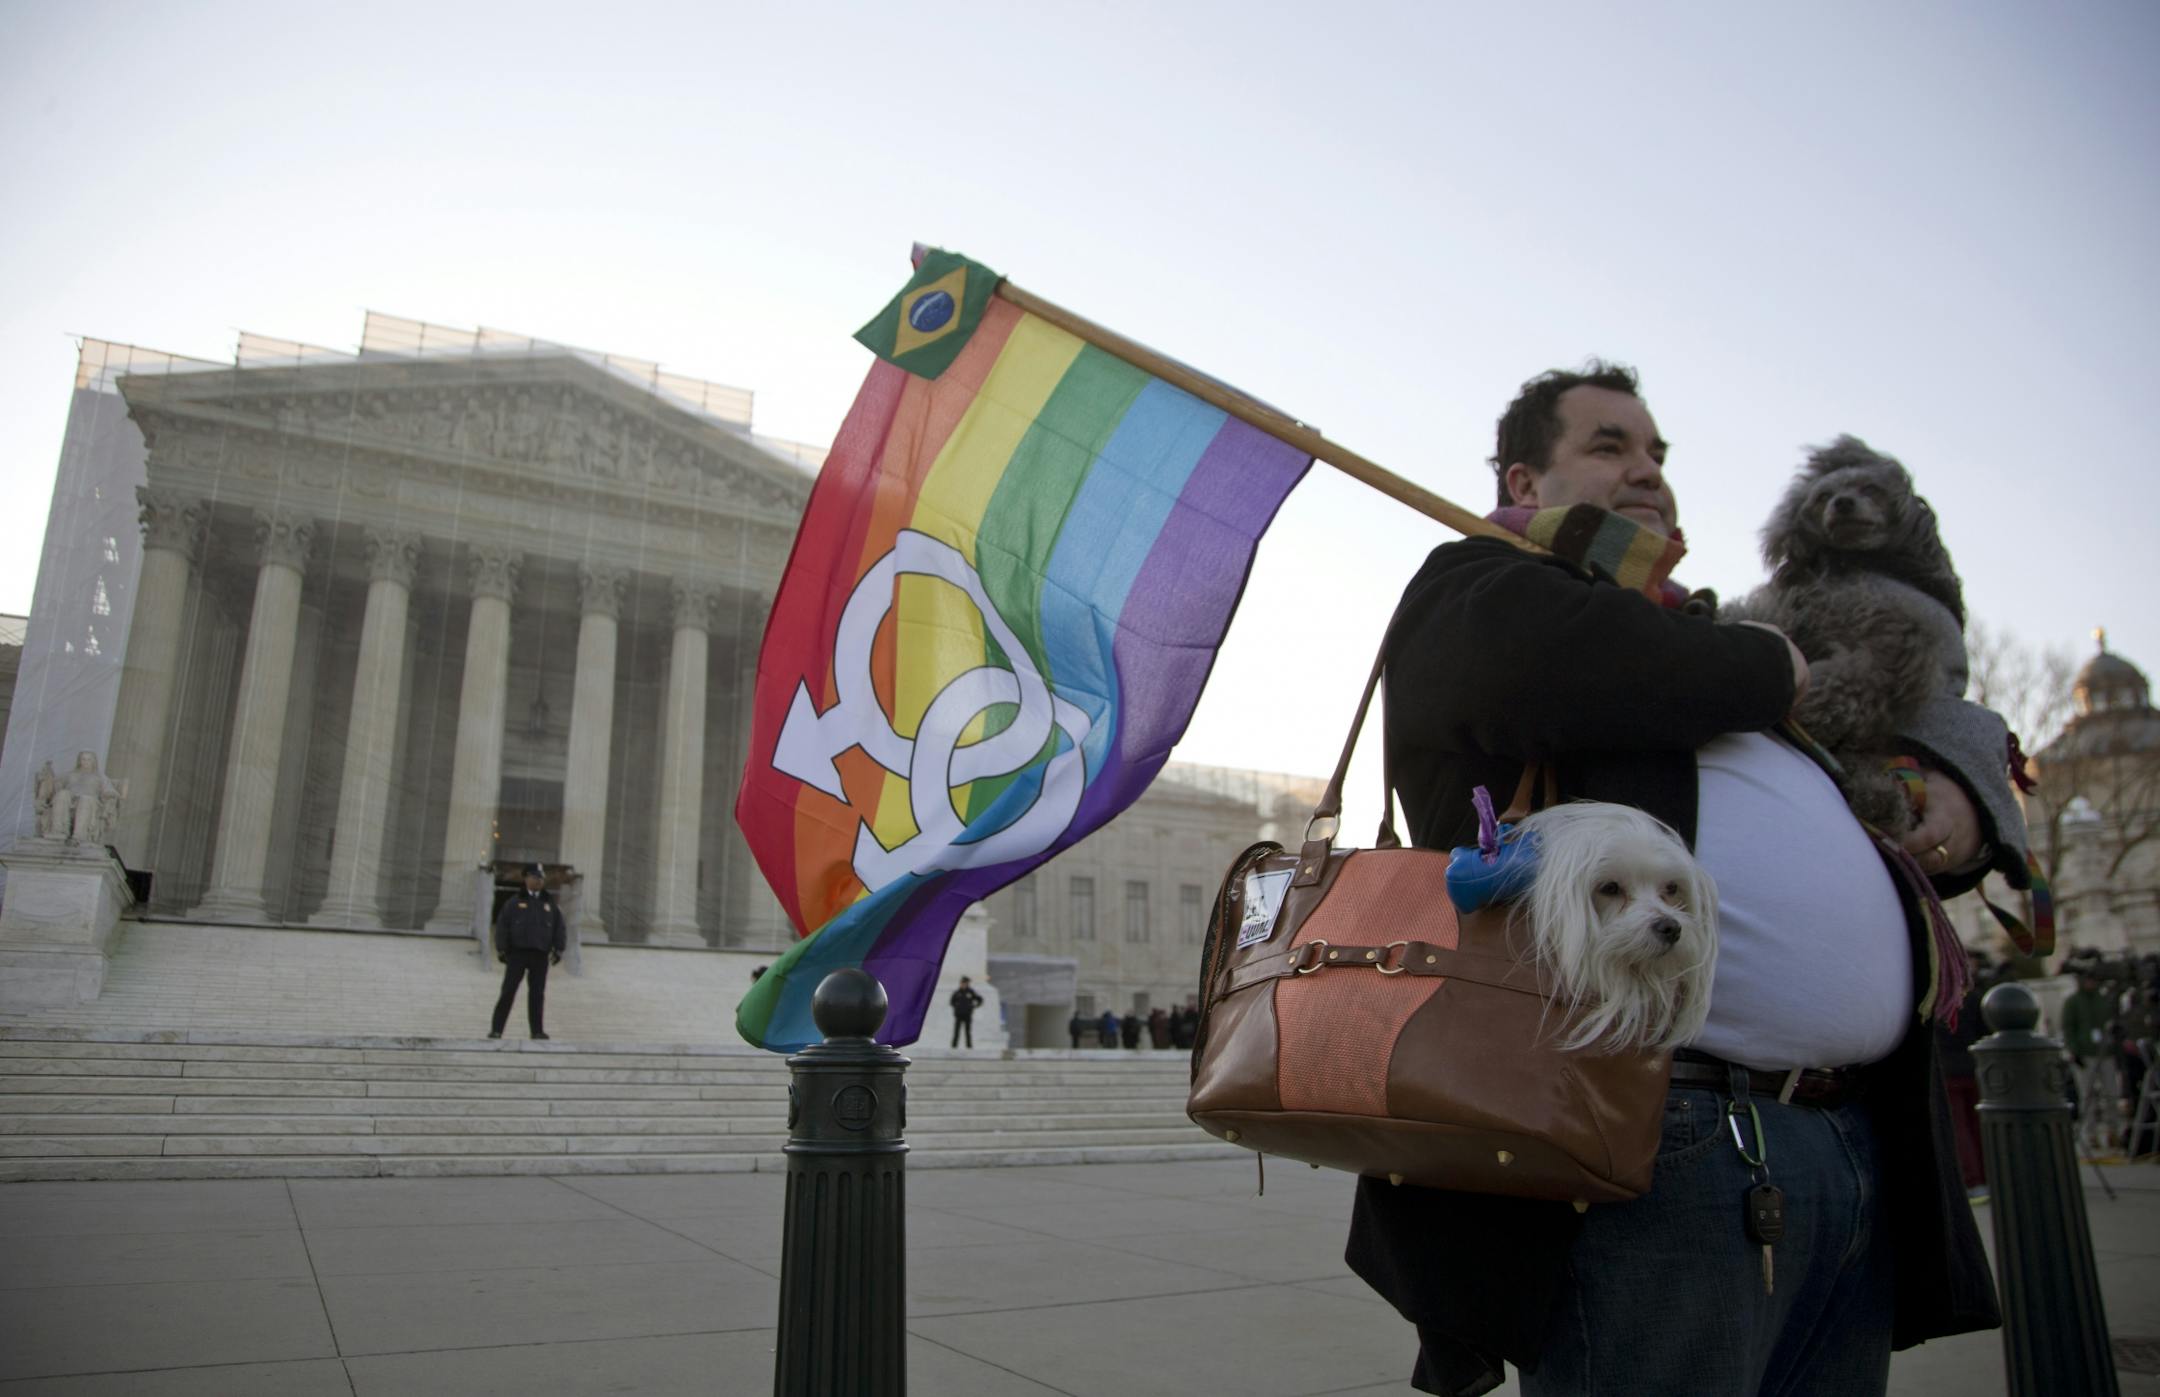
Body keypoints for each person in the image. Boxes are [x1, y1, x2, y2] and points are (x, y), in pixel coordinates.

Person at [1346, 363, 2029, 1396]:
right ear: (1525, 482)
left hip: (1849, 1143)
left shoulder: (1712, 629)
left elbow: (1908, 713)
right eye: (1610, 446)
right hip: (1663, 1139)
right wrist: (1766, 667)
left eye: (1658, 452)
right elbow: (1559, 664)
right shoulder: (1480, 584)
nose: (1648, 470)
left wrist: (1967, 793)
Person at [489, 863, 566, 1040]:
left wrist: (559, 948)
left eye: (541, 878)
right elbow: (503, 926)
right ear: (526, 879)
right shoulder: (514, 902)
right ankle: (497, 1029)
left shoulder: (549, 904)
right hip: (517, 953)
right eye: (534, 877)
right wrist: (501, 948)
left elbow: (559, 927)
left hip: (539, 954)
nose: (538, 881)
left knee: (537, 994)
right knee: (508, 991)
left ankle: (537, 1031)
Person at [949, 976, 985, 1049]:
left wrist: (974, 1006)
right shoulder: (957, 992)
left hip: (967, 1014)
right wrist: (957, 1007)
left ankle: (969, 1046)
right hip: (958, 1015)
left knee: (967, 1031)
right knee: (956, 1031)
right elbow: (952, 1002)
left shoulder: (971, 992)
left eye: (965, 983)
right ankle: (954, 1045)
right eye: (963, 983)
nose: (964, 985)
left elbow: (979, 999)